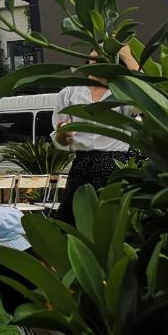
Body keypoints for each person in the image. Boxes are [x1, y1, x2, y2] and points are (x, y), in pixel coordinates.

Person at [52, 46, 140, 224]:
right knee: (73, 222)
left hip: (114, 164)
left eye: (107, 50)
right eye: (95, 49)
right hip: (82, 164)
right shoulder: (69, 94)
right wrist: (63, 134)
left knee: (112, 222)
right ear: (88, 56)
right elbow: (59, 138)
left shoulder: (123, 94)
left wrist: (128, 56)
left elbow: (149, 94)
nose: (100, 53)